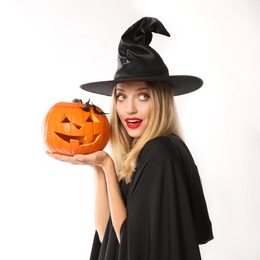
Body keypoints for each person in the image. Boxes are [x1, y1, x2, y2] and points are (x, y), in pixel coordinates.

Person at [46, 17, 213, 260]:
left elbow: (133, 245)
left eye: (143, 96)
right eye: (121, 97)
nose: (129, 109)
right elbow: (107, 236)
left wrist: (106, 164)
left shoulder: (160, 152)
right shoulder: (139, 151)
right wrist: (99, 167)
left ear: (161, 101)